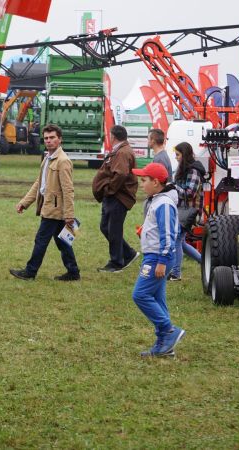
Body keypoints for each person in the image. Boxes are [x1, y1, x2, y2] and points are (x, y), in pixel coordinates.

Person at [10, 124, 80, 281]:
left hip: (54, 210)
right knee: (63, 242)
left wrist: (69, 214)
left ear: (59, 139)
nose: (48, 141)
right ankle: (73, 272)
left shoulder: (63, 161)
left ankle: (30, 272)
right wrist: (24, 203)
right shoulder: (48, 158)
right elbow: (39, 184)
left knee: (41, 240)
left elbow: (68, 190)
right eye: (46, 138)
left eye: (52, 138)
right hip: (51, 207)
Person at [130, 162, 185, 357]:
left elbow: (169, 235)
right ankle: (165, 345)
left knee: (140, 295)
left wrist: (162, 260)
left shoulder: (164, 203)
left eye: (144, 180)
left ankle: (169, 331)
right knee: (157, 298)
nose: (141, 184)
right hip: (154, 255)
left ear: (156, 182)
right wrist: (145, 234)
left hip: (157, 258)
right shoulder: (157, 200)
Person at [92, 125, 139, 272]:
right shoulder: (121, 150)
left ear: (113, 136)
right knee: (106, 227)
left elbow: (121, 174)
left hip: (118, 197)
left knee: (114, 230)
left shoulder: (123, 152)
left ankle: (117, 262)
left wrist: (108, 190)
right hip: (114, 197)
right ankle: (128, 253)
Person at [169, 141, 207, 281]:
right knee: (182, 242)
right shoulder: (185, 169)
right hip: (183, 209)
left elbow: (190, 193)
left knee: (177, 240)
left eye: (178, 154)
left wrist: (173, 187)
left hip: (189, 210)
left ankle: (176, 273)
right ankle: (204, 261)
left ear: (184, 155)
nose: (176, 157)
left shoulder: (193, 171)